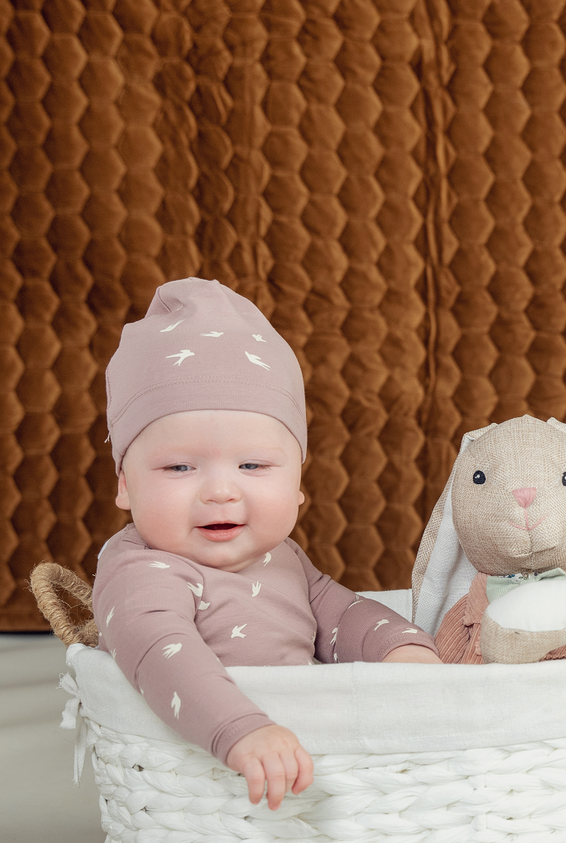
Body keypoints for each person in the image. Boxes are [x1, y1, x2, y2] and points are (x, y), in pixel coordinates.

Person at [90, 279, 441, 810]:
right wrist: (240, 729)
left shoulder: (284, 560)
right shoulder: (141, 571)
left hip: (313, 765)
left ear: (298, 481)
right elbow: (159, 650)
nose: (221, 491)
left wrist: (403, 649)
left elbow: (343, 616)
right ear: (124, 484)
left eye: (252, 465)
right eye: (179, 467)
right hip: (217, 771)